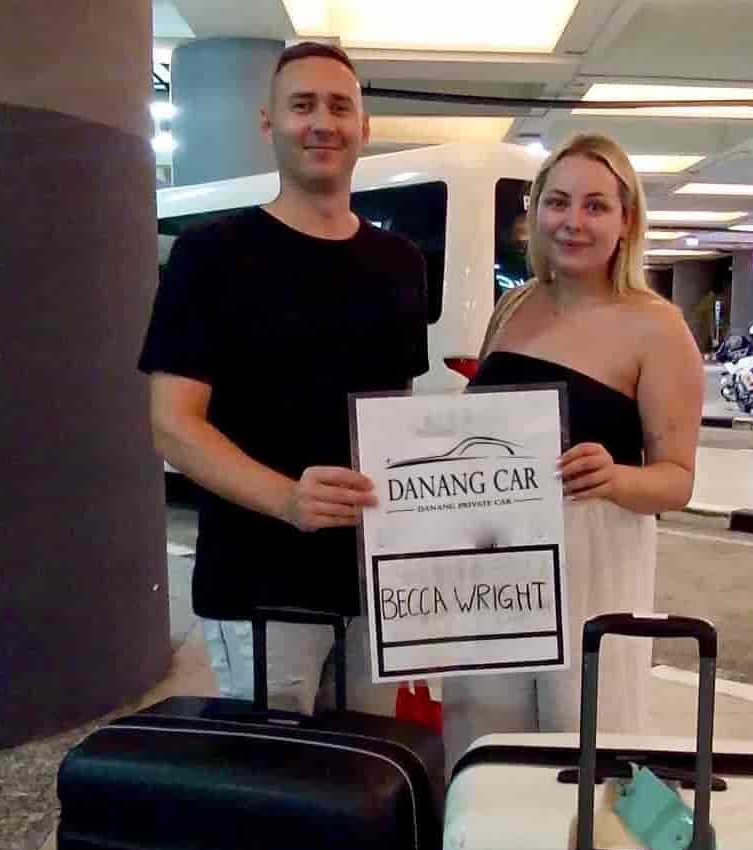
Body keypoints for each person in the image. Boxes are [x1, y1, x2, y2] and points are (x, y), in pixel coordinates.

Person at [138, 42, 429, 714]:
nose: (321, 122)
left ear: (364, 128)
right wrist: (288, 500)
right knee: (278, 787)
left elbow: (395, 414)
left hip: (374, 585)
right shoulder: (209, 257)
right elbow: (173, 425)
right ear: (268, 124)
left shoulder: (400, 263)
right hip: (257, 582)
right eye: (302, 106)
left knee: (368, 779)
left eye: (339, 106)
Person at [440, 133, 703, 768]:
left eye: (595, 206)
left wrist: (613, 476)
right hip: (494, 564)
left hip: (592, 566)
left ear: (626, 220)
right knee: (485, 741)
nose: (573, 222)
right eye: (557, 203)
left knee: (593, 744)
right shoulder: (515, 304)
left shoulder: (656, 326)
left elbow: (677, 480)